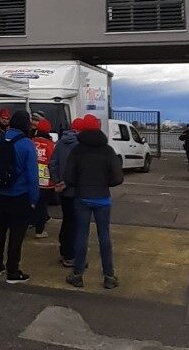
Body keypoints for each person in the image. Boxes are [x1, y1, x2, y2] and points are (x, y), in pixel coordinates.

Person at [63, 114, 123, 289]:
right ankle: (109, 276)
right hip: (103, 199)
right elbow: (117, 178)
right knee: (104, 237)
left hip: (82, 197)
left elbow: (69, 177)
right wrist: (105, 183)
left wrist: (80, 183)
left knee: (81, 236)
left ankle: (78, 274)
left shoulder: (77, 150)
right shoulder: (108, 150)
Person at [0, 110, 39, 283]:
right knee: (16, 235)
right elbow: (33, 175)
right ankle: (13, 270)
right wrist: (33, 199)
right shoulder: (27, 144)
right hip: (19, 196)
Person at [49, 117, 82, 267]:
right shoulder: (80, 146)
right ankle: (70, 255)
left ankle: (64, 251)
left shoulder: (60, 143)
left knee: (67, 221)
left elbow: (52, 163)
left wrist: (57, 181)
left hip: (62, 190)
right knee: (74, 224)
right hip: (75, 190)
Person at [31, 119, 56, 238]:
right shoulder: (51, 145)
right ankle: (39, 230)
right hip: (46, 182)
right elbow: (53, 162)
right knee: (42, 205)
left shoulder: (31, 142)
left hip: (32, 179)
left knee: (32, 203)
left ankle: (31, 223)